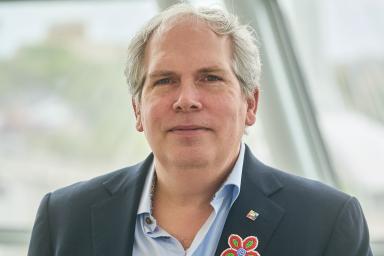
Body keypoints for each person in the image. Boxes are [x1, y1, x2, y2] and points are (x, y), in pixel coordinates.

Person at [28, 3, 372, 256]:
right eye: (165, 80)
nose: (186, 99)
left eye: (210, 78)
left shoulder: (326, 223)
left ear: (250, 104)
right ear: (137, 110)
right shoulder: (63, 218)